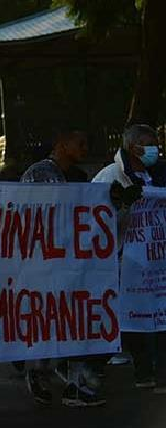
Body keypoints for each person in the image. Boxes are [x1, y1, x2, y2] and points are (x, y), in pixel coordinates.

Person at [20, 131, 109, 408]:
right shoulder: (41, 173)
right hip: (46, 263)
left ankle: (70, 382)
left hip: (71, 261)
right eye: (79, 143)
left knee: (74, 320)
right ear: (61, 144)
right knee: (55, 320)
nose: (85, 148)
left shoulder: (78, 177)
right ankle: (43, 372)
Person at [93, 124, 166, 394]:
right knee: (134, 318)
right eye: (149, 144)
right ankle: (93, 365)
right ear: (133, 147)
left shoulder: (156, 175)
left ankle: (156, 374)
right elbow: (95, 219)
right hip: (127, 262)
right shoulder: (110, 176)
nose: (155, 149)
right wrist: (123, 205)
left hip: (156, 263)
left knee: (160, 317)